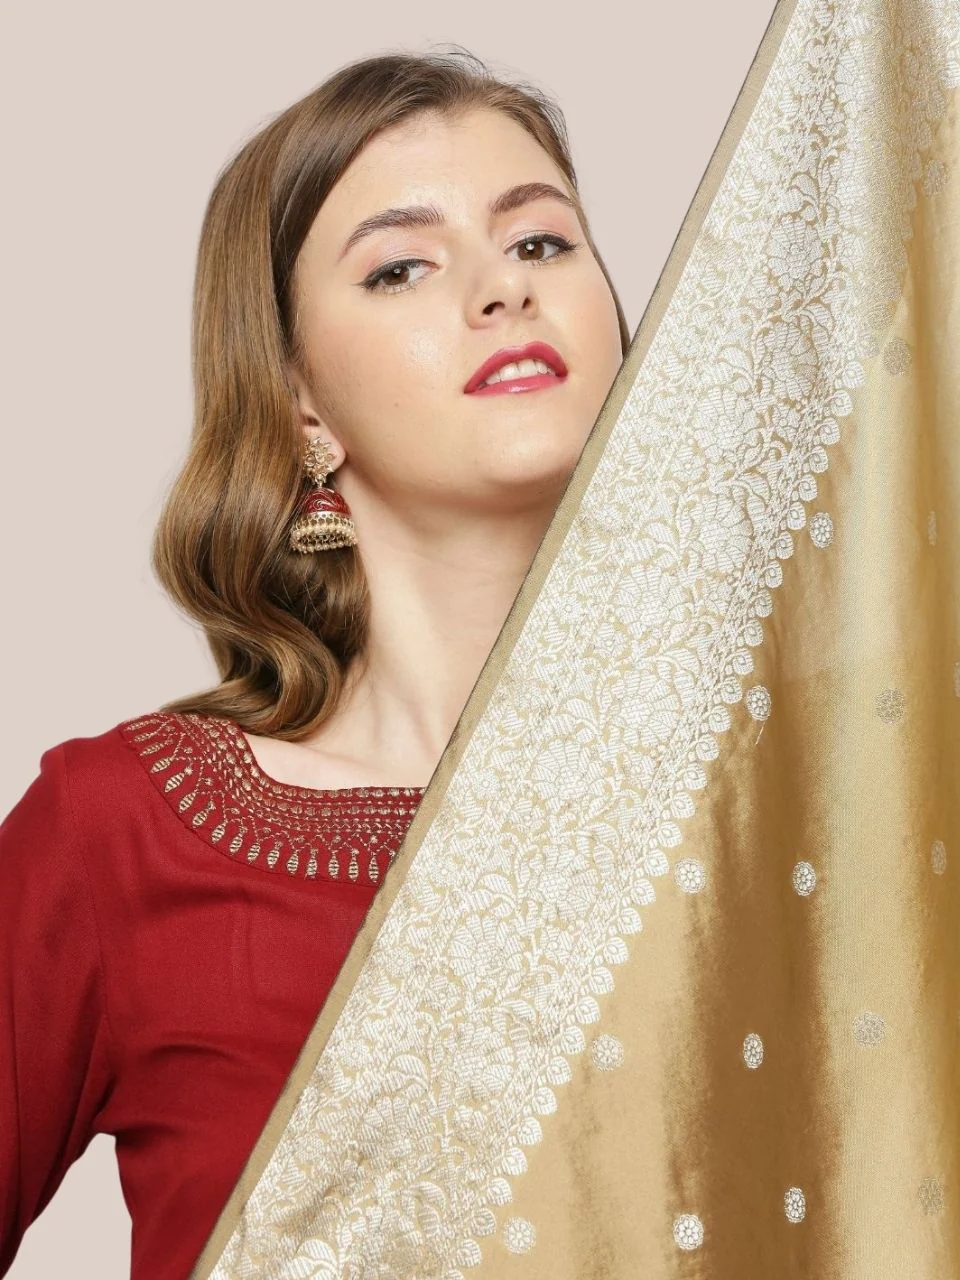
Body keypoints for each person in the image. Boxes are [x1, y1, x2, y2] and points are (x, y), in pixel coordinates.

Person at [0, 47, 629, 1280]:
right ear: (301, 406)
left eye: (541, 242)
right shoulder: (120, 833)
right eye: (401, 267)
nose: (502, 288)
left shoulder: (776, 798)